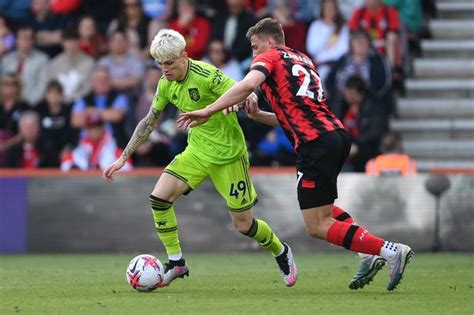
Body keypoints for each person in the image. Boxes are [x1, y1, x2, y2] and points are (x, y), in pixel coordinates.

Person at [178, 18, 413, 291]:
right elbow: (289, 117)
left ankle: (389, 250)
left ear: (269, 41)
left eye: (255, 47)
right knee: (324, 210)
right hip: (335, 136)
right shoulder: (302, 59)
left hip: (314, 143)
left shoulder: (271, 57)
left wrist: (209, 110)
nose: (254, 54)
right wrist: (256, 115)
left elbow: (246, 85)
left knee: (315, 225)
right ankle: (366, 253)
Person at [102, 29, 297, 288]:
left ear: (184, 56)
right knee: (159, 198)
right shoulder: (165, 84)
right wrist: (123, 157)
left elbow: (245, 92)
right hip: (196, 151)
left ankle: (280, 250)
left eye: (169, 63)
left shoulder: (207, 75)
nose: (165, 69)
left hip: (228, 155)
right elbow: (149, 121)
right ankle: (176, 262)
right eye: (160, 64)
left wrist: (241, 101)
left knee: (244, 225)